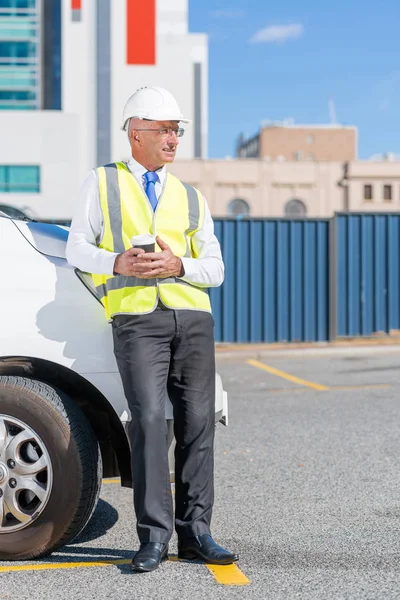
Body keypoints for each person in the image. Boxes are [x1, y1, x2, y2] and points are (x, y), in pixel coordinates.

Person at [66, 86, 238, 573]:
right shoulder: (101, 183)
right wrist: (115, 260)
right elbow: (76, 248)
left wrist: (178, 263)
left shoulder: (190, 195)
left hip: (193, 319)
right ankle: (154, 538)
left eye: (177, 130)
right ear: (135, 133)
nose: (173, 138)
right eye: (164, 129)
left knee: (198, 425)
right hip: (137, 319)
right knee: (147, 424)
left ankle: (196, 533)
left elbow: (216, 269)